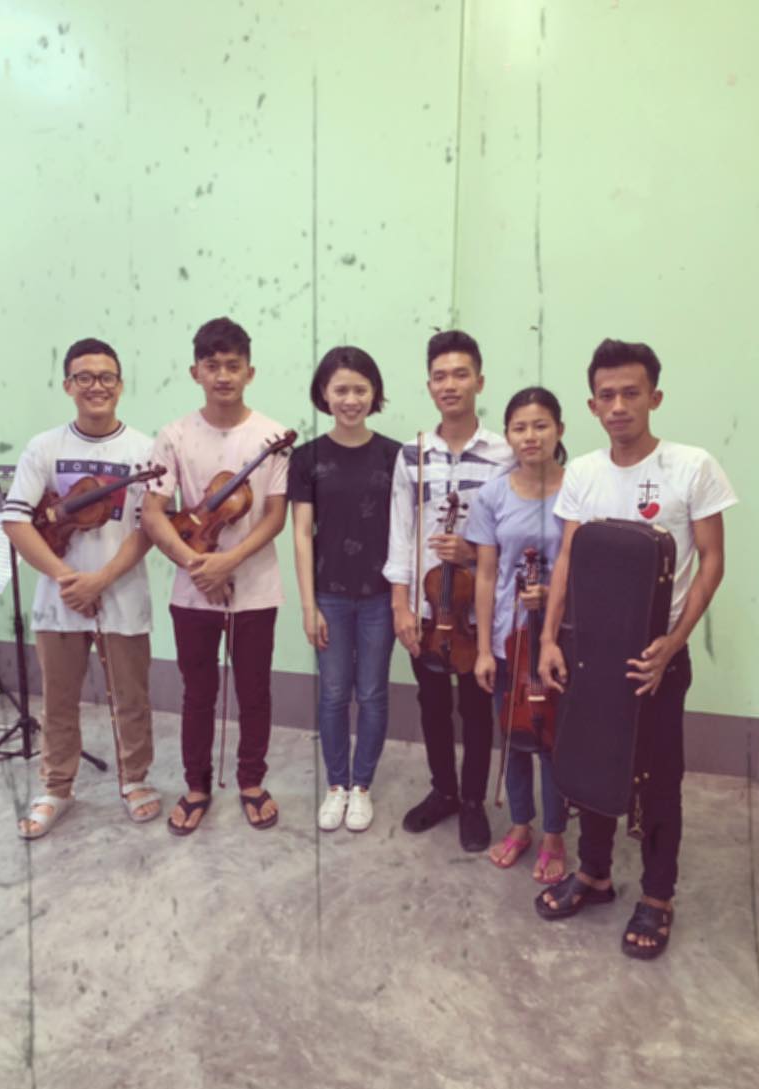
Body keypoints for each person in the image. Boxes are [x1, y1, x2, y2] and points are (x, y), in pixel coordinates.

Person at [536, 338, 737, 959]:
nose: (619, 405)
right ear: (592, 406)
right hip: (590, 653)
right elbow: (567, 559)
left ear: (655, 397)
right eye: (607, 395)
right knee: (595, 761)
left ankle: (657, 895)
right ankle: (595, 875)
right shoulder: (584, 473)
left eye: (631, 393)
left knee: (659, 779)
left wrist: (673, 643)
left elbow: (712, 562)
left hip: (656, 657)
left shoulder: (691, 467)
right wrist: (548, 637)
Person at [2, 338, 159, 838]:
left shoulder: (144, 450)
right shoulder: (44, 447)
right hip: (60, 598)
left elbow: (149, 528)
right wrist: (67, 578)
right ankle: (56, 788)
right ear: (69, 385)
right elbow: (16, 520)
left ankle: (135, 780)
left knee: (131, 697)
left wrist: (101, 579)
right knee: (59, 699)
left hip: (122, 593)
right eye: (85, 377)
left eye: (106, 377)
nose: (97, 386)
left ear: (121, 385)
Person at [142, 317, 289, 835]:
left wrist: (230, 561)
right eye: (212, 366)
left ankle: (251, 781)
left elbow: (275, 515)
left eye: (233, 365)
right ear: (195, 372)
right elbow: (154, 513)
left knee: (254, 692)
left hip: (256, 587)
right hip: (192, 589)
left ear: (250, 372)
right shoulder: (174, 435)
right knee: (198, 692)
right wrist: (197, 564)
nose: (223, 375)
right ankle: (196, 786)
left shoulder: (272, 437)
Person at [383, 329, 513, 851]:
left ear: (480, 381)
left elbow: (513, 528)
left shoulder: (505, 453)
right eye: (440, 376)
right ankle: (443, 791)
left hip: (478, 608)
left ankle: (474, 801)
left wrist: (474, 552)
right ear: (429, 385)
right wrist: (400, 605)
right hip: (426, 605)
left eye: (461, 374)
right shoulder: (412, 453)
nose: (450, 384)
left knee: (477, 710)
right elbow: (400, 532)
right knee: (432, 704)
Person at [288, 346, 400, 832]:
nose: (350, 399)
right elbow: (301, 534)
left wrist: (402, 599)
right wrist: (308, 605)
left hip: (381, 596)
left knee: (372, 693)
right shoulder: (306, 458)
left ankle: (362, 787)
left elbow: (405, 532)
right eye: (341, 390)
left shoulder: (396, 456)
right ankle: (336, 785)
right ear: (324, 394)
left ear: (374, 393)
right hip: (329, 595)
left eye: (360, 389)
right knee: (334, 693)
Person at [468, 387, 568, 882]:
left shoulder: (579, 490)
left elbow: (586, 568)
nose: (530, 436)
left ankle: (555, 834)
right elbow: (487, 575)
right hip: (509, 639)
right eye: (520, 427)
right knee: (513, 735)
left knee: (555, 740)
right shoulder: (493, 495)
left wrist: (551, 593)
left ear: (559, 430)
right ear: (507, 435)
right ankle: (521, 823)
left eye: (541, 425)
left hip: (561, 639)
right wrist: (483, 649)